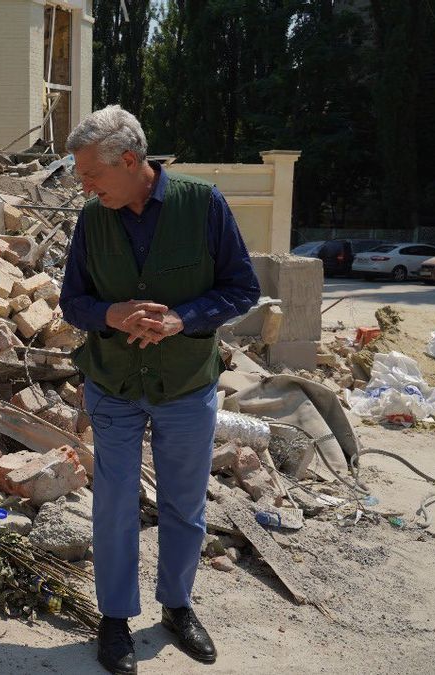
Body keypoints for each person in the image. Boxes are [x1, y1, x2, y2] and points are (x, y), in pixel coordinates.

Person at [58, 105, 260, 674]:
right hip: (114, 385)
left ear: (130, 160)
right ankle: (115, 620)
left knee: (183, 506)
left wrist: (183, 319)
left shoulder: (203, 204)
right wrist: (111, 313)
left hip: (186, 385)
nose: (84, 184)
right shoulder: (91, 221)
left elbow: (241, 288)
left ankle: (177, 607)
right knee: (115, 506)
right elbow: (73, 302)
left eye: (91, 174)